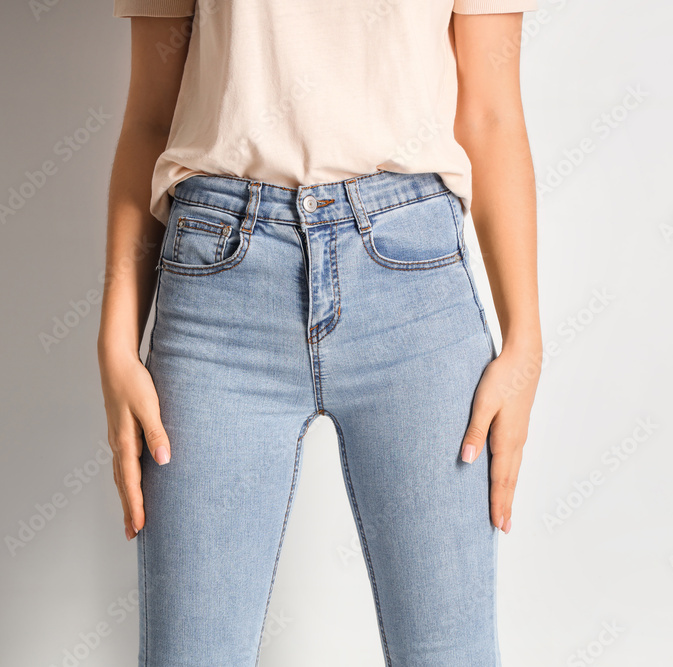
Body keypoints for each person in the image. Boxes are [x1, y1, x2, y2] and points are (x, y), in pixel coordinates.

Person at [97, 1, 541, 665]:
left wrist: (525, 340)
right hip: (219, 284)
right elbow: (150, 117)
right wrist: (115, 336)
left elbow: (491, 110)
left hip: (414, 284)